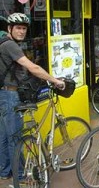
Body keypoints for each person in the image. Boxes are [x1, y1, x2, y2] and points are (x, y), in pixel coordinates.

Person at [0, 13, 65, 181]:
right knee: (15, 137)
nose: (22, 32)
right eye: (18, 28)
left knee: (6, 136)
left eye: (24, 28)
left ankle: (6, 170)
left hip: (4, 93)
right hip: (10, 95)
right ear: (9, 28)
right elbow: (32, 68)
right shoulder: (10, 46)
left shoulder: (4, 44)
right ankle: (21, 176)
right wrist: (55, 81)